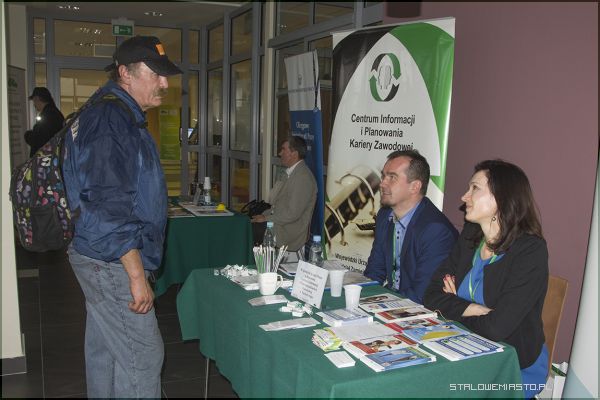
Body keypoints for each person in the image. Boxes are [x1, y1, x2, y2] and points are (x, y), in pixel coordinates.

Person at [62, 36, 182, 398]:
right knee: (143, 357)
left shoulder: (112, 113)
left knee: (107, 351)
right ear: (125, 73)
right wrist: (136, 275)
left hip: (100, 253)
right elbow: (106, 204)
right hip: (112, 259)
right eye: (156, 74)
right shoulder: (110, 119)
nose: (164, 83)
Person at [423, 160, 549, 399]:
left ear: (501, 198)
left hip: (513, 365)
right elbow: (431, 295)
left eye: (474, 188)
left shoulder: (530, 251)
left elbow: (496, 328)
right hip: (464, 348)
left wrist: (453, 307)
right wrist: (475, 309)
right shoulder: (471, 235)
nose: (464, 197)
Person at [363, 150, 458, 304]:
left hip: (417, 309)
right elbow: (375, 270)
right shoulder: (384, 215)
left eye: (392, 177)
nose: (382, 184)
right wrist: (363, 298)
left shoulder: (436, 231)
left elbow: (422, 294)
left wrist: (380, 303)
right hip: (391, 300)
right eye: (383, 176)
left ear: (415, 186)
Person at [251, 136, 317, 252]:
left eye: (283, 149)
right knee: (246, 224)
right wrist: (261, 216)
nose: (279, 153)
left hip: (288, 231)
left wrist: (265, 218)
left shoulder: (303, 178)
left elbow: (292, 214)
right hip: (278, 224)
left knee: (247, 232)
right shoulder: (291, 173)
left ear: (294, 154)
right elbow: (277, 206)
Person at [24, 87, 65, 157]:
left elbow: (39, 140)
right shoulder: (54, 113)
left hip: (45, 159)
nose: (34, 105)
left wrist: (27, 135)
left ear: (37, 98)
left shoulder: (47, 115)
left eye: (34, 101)